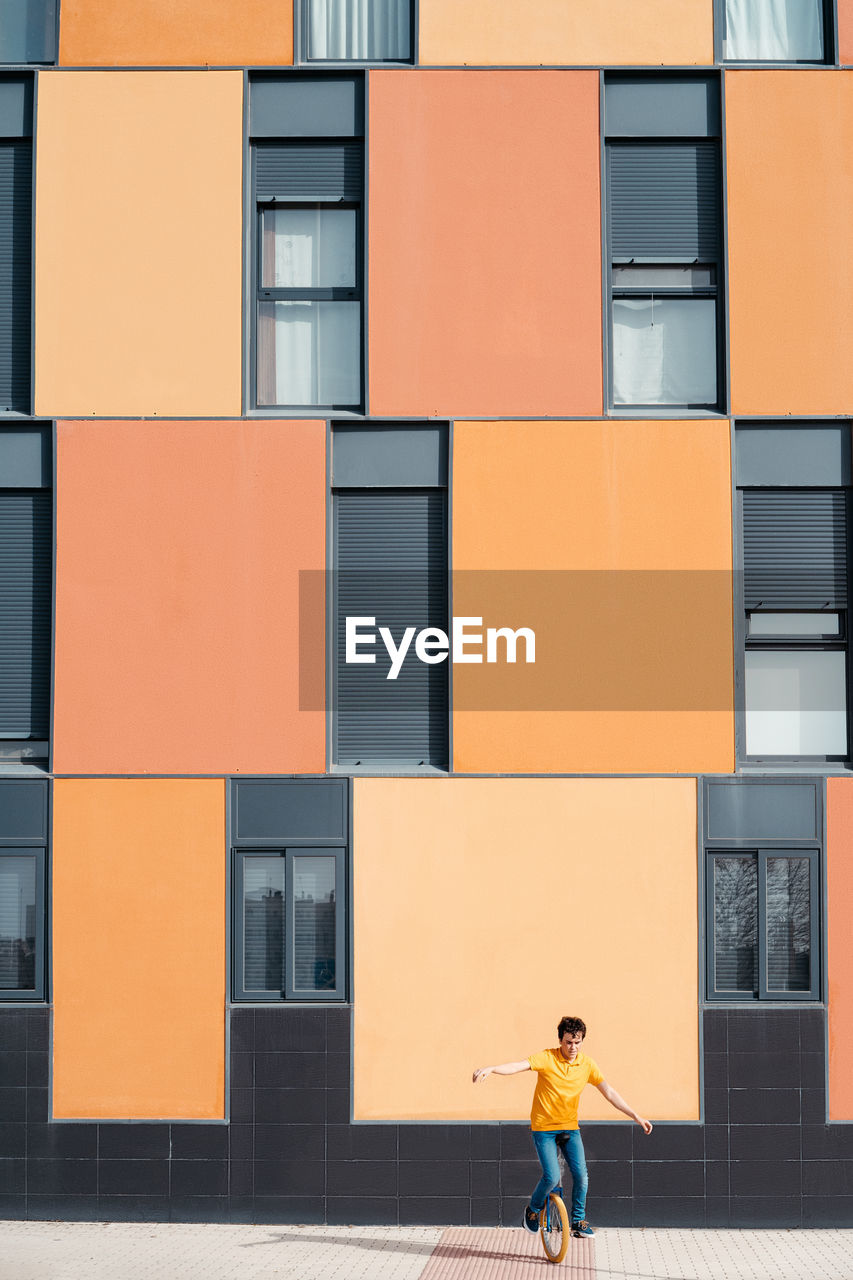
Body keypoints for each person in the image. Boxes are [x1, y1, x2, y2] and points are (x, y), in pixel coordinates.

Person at [472, 1014, 652, 1238]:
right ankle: (533, 1210)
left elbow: (609, 1092)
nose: (573, 1047)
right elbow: (519, 1066)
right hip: (544, 1129)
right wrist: (492, 1068)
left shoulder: (587, 1065)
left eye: (577, 1042)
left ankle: (578, 1221)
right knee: (551, 1176)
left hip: (569, 1128)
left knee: (582, 1175)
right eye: (568, 1042)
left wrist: (636, 1116)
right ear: (560, 1041)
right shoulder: (547, 1058)